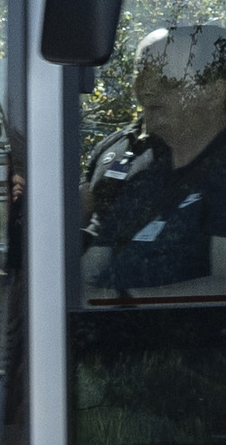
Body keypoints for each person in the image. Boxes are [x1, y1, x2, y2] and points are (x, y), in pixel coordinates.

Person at [82, 24, 226, 298]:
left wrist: (116, 301)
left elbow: (222, 291)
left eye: (166, 76)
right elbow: (89, 268)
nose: (147, 88)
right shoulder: (128, 161)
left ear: (215, 92)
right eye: (141, 73)